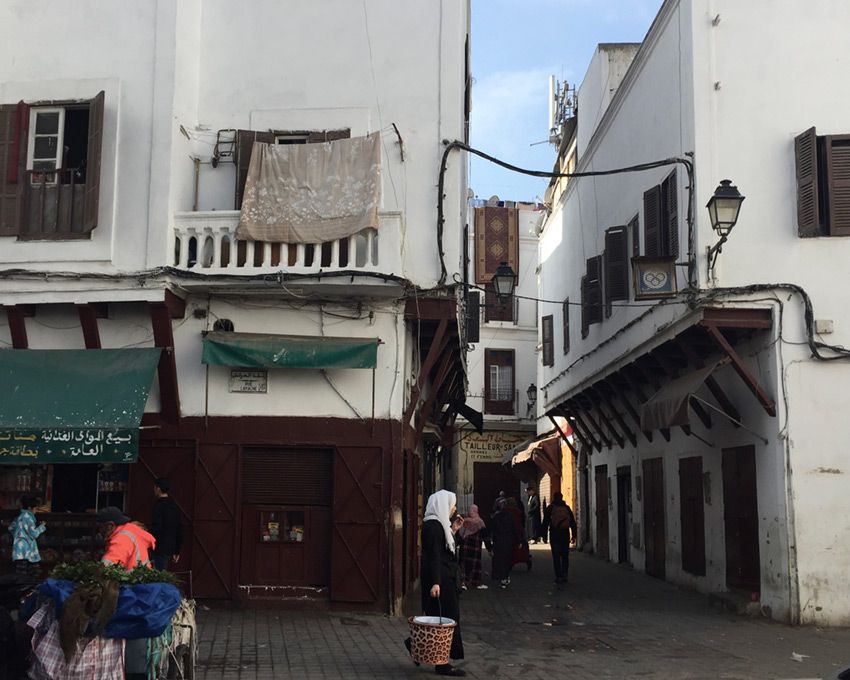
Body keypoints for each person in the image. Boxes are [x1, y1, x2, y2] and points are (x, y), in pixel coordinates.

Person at [404, 490, 465, 677]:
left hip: (444, 579)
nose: (453, 509)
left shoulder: (440, 525)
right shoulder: (434, 526)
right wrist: (436, 582)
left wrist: (453, 530)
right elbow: (435, 557)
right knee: (446, 621)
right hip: (441, 581)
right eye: (451, 504)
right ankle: (442, 663)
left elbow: (446, 550)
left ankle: (415, 645)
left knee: (438, 619)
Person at [542, 492, 577, 584]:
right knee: (565, 555)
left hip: (554, 534)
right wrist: (574, 535)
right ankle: (565, 574)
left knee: (556, 556)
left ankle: (558, 576)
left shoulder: (550, 508)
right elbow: (572, 522)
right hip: (565, 534)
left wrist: (544, 536)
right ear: (562, 498)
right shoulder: (567, 508)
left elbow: (545, 522)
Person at [9, 496, 45, 581]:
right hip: (27, 549)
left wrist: (18, 537)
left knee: (22, 573)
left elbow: (11, 528)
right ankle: (26, 591)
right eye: (35, 509)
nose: (36, 511)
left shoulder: (20, 516)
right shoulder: (28, 517)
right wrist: (42, 527)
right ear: (30, 508)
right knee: (33, 572)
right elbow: (34, 534)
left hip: (20, 550)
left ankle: (23, 590)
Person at [150, 478, 182, 571]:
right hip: (170, 547)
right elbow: (179, 528)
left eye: (154, 487)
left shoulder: (158, 506)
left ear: (158, 488)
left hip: (159, 547)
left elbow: (157, 527)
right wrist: (177, 550)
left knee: (157, 574)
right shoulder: (174, 506)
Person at [489, 498, 520, 589]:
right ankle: (505, 577)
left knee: (500, 560)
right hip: (508, 541)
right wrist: (518, 540)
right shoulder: (510, 516)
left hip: (498, 542)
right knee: (507, 559)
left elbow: (492, 530)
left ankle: (501, 577)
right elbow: (514, 528)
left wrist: (490, 544)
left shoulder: (496, 517)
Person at [458, 505, 490, 590]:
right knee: (475, 565)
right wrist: (489, 548)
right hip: (475, 548)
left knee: (464, 564)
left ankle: (463, 582)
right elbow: (486, 536)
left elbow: (460, 534)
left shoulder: (465, 522)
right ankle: (475, 582)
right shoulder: (480, 522)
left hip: (465, 547)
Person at [505, 497, 531, 571]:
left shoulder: (507, 511)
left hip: (511, 532)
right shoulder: (518, 511)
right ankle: (526, 559)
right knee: (521, 547)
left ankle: (511, 563)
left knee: (512, 548)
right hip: (519, 531)